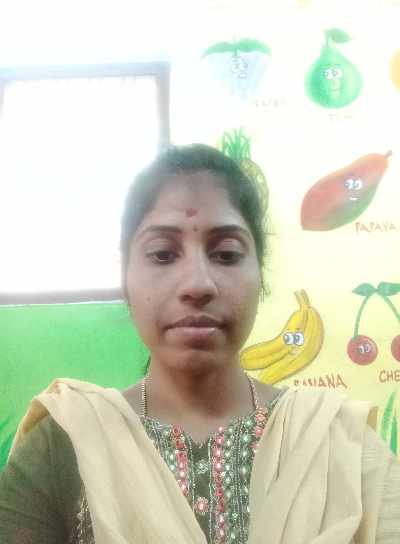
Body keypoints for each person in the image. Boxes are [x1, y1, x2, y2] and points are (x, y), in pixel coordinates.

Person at [0, 144, 399, 544]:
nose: (197, 284)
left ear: (260, 276)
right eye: (162, 254)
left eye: (226, 254)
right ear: (126, 279)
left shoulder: (342, 446)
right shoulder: (64, 442)